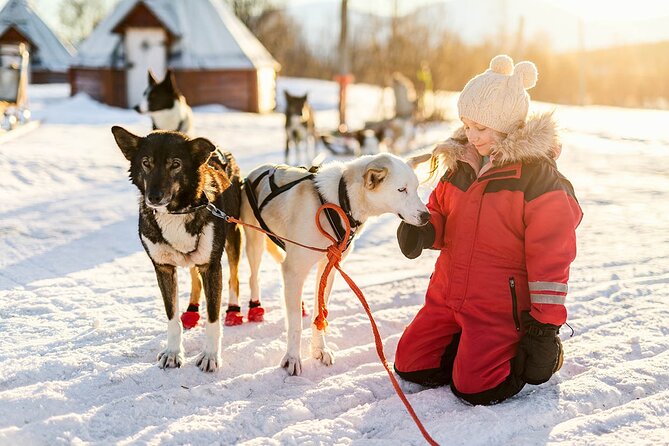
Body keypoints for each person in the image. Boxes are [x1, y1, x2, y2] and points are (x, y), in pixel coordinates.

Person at [393, 55, 583, 406]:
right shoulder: (461, 164)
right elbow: (441, 214)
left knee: (475, 387)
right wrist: (424, 230)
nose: (470, 135)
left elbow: (551, 259)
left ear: (508, 126)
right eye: (466, 124)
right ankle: (467, 347)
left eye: (481, 128)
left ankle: (511, 352)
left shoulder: (536, 180)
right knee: (411, 363)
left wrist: (544, 327)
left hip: (498, 306)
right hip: (448, 295)